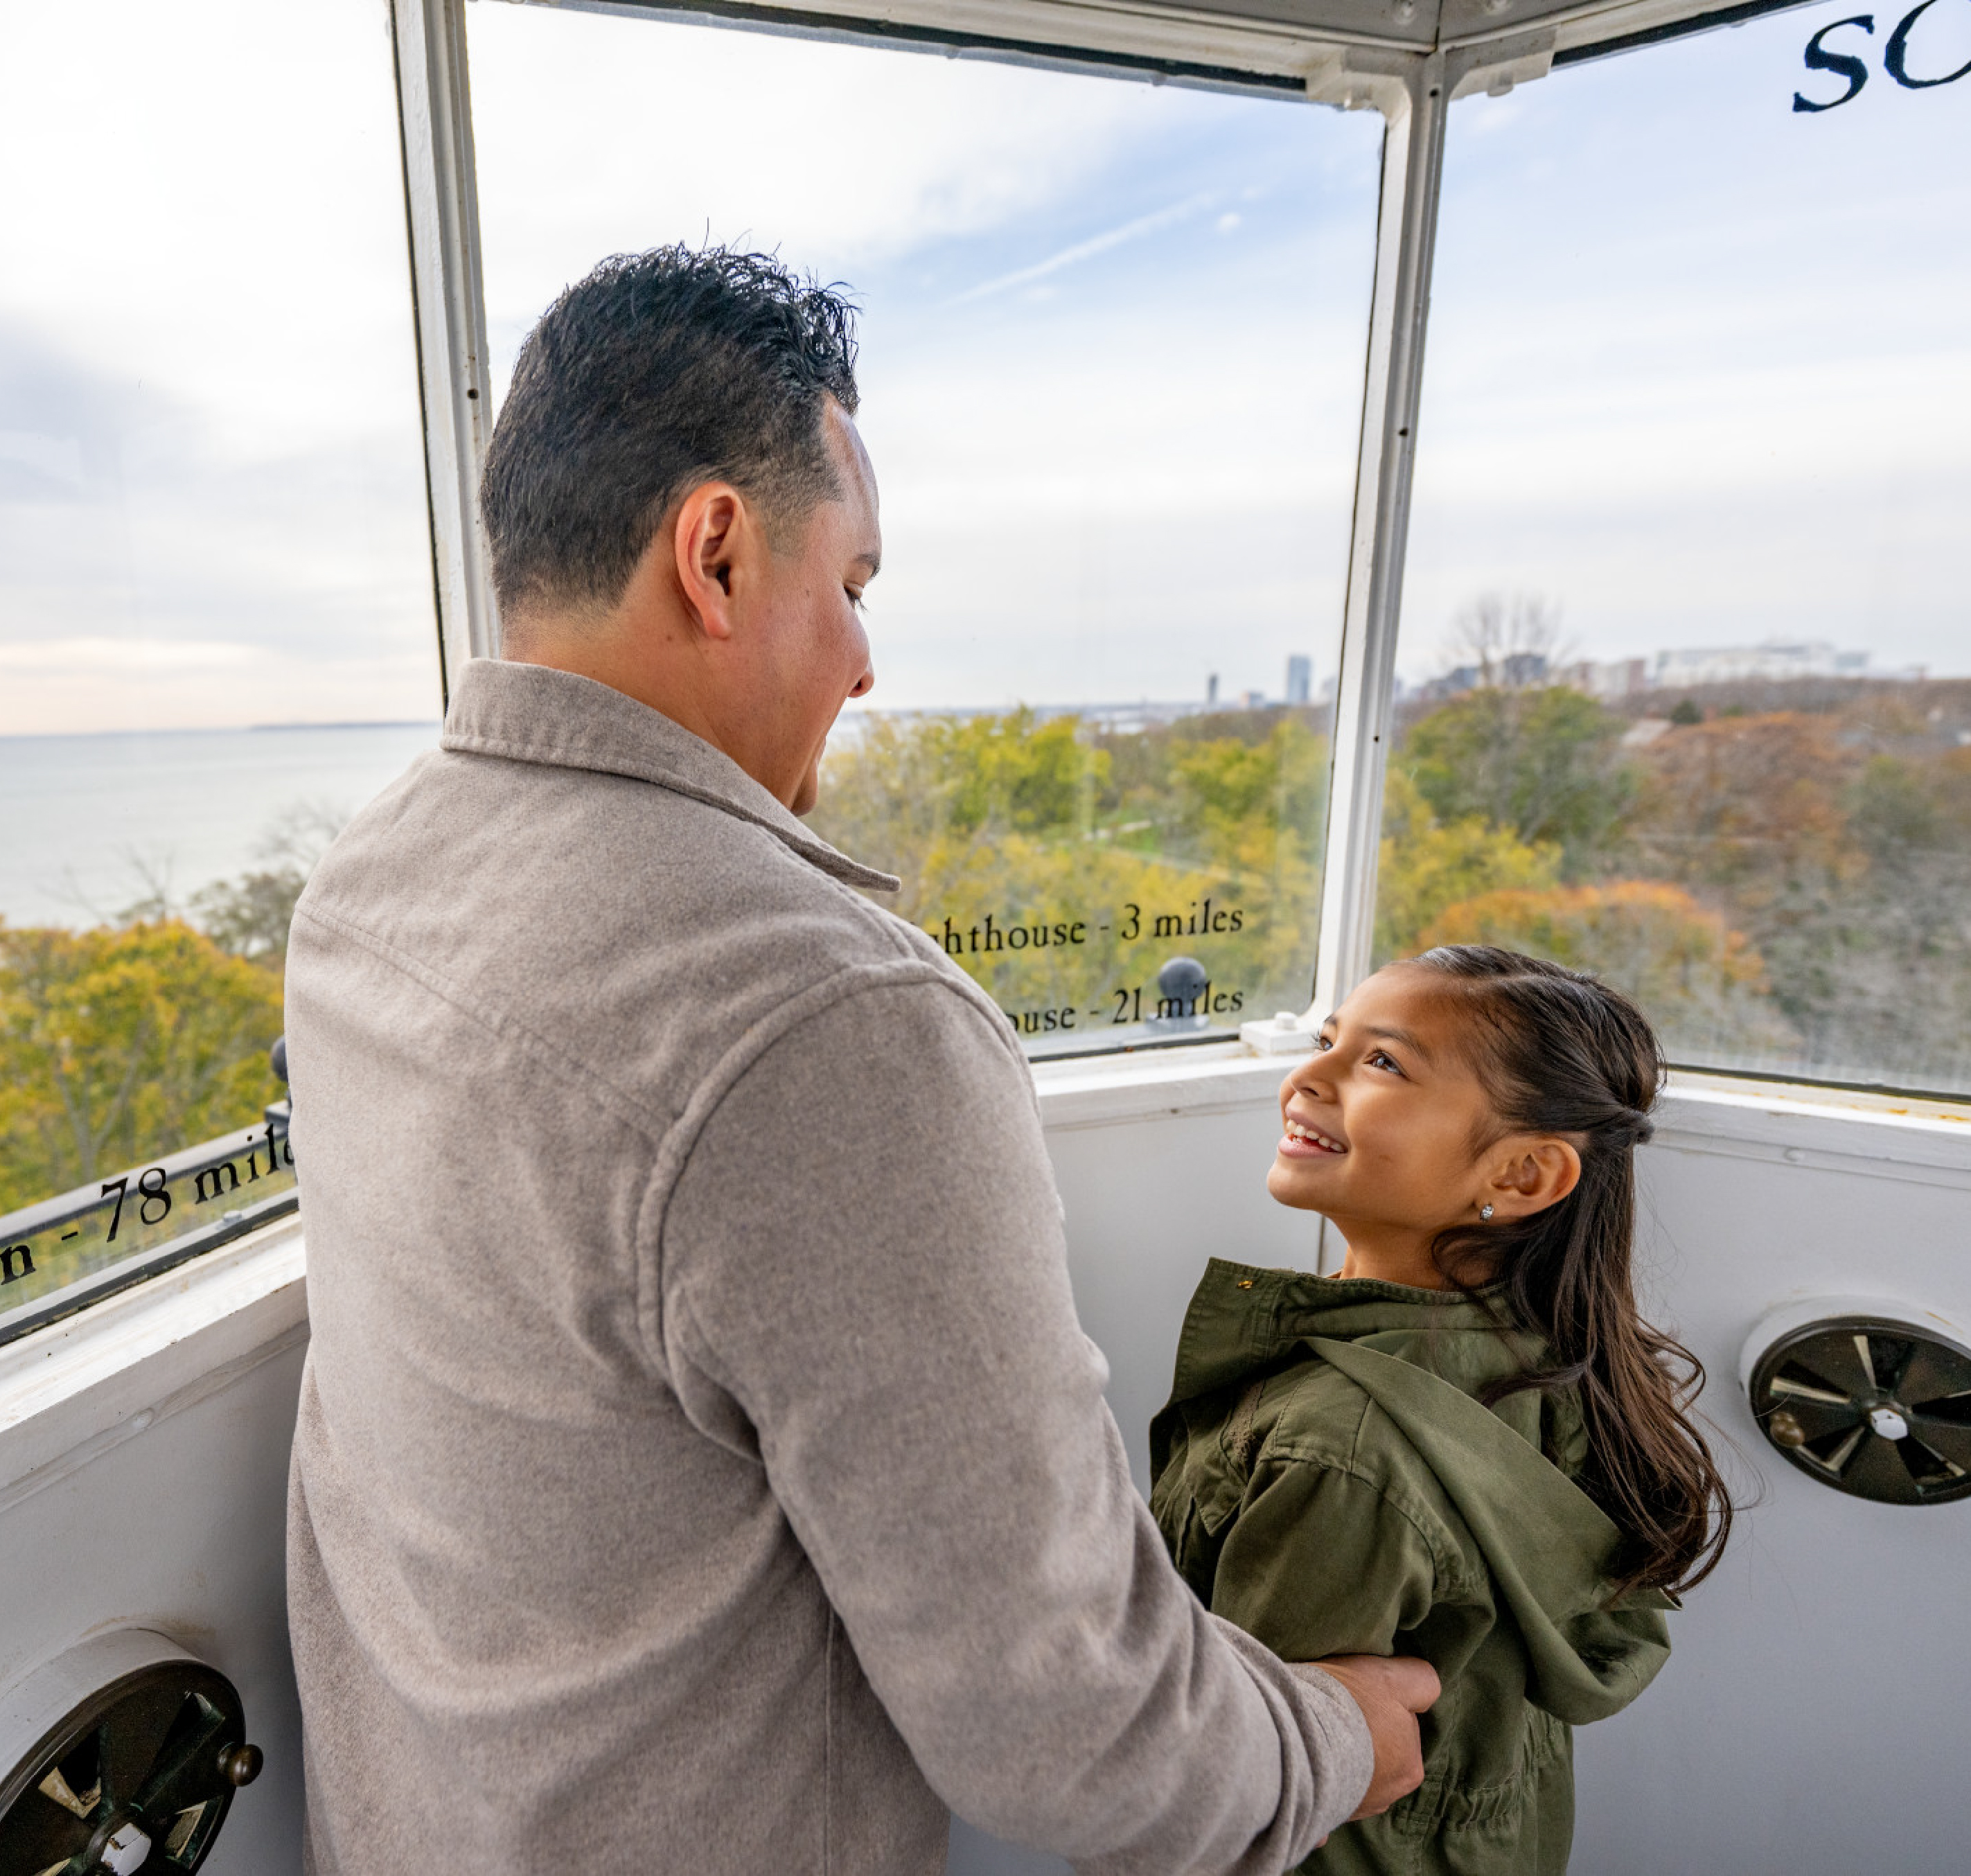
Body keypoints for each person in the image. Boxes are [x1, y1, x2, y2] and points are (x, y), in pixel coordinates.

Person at [282, 245, 1436, 1875]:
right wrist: (1339, 1738)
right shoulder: (820, 1024)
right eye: (856, 585)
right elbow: (1082, 1742)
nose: (867, 661)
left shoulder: (371, 883)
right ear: (717, 553)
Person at [1150, 946, 1735, 1876]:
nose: (1306, 1077)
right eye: (1328, 1040)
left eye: (1380, 1063)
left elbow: (1258, 1775)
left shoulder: (1337, 1449)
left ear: (1520, 1178)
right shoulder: (1550, 1357)